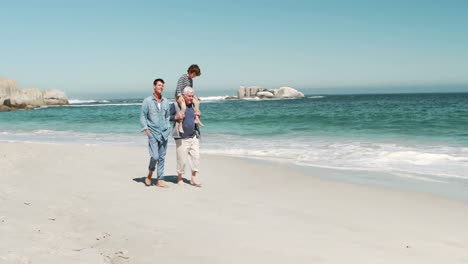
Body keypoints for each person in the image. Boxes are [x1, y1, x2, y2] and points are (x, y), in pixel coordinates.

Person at [140, 78, 170, 188]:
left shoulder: (166, 101)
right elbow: (143, 116)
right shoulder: (147, 101)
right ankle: (149, 174)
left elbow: (167, 117)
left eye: (162, 85)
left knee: (162, 157)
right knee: (155, 157)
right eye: (159, 85)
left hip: (164, 133)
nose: (161, 87)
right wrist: (146, 129)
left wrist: (168, 127)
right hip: (152, 132)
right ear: (154, 86)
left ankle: (159, 180)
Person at [170, 86, 202, 187]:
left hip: (193, 136)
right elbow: (166, 117)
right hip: (181, 137)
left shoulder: (193, 105)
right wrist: (176, 117)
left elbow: (195, 116)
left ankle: (193, 178)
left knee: (196, 158)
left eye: (192, 96)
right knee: (182, 160)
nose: (191, 98)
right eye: (189, 96)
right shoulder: (175, 105)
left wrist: (198, 114)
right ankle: (180, 178)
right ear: (183, 96)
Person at [175, 64, 203, 134]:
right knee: (183, 107)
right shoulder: (183, 77)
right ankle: (180, 124)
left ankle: (196, 118)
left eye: (195, 75)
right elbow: (178, 88)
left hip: (187, 95)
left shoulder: (191, 80)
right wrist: (180, 96)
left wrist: (195, 96)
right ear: (191, 71)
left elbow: (190, 90)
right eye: (194, 74)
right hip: (180, 95)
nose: (194, 76)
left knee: (196, 102)